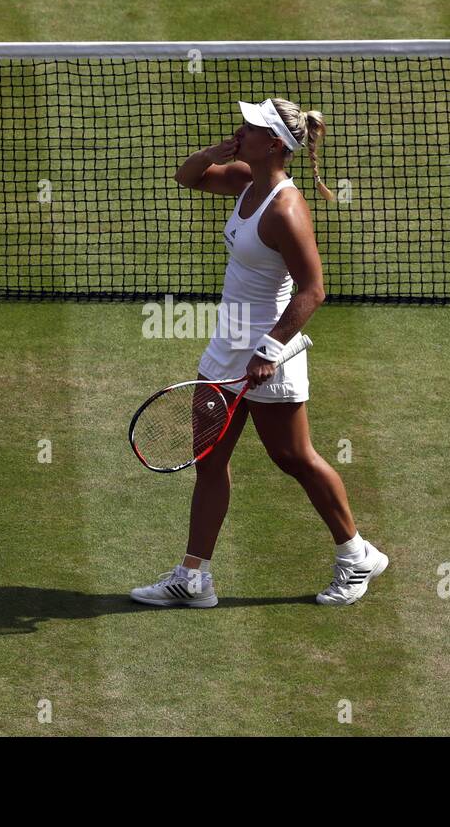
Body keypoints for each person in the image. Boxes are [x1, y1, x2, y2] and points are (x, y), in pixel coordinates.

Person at [130, 98, 388, 609]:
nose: (239, 129)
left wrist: (270, 348)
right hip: (227, 344)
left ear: (274, 143)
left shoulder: (287, 211)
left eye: (249, 128)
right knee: (209, 458)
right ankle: (193, 576)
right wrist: (215, 150)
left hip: (271, 346)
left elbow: (313, 290)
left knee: (292, 456)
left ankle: (356, 554)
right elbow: (188, 177)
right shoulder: (247, 178)